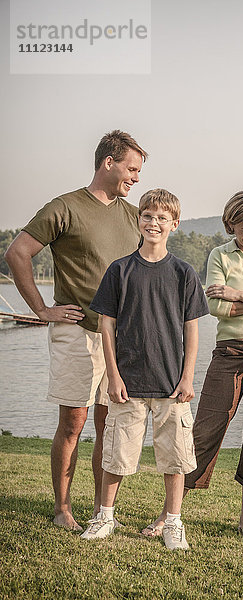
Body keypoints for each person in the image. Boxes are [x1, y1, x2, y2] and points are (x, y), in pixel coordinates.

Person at [4, 130, 148, 531]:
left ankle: (104, 513)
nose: (136, 177)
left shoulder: (134, 215)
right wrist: (41, 309)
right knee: (73, 422)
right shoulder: (64, 207)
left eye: (139, 171)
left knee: (109, 422)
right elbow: (17, 253)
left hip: (121, 339)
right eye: (131, 168)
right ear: (109, 162)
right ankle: (62, 509)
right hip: (76, 331)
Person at [143, 190, 243, 538]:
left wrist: (239, 294)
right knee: (204, 430)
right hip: (229, 352)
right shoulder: (219, 255)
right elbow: (217, 308)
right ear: (231, 224)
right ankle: (169, 514)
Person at [80, 188, 209, 549]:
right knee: (116, 455)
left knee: (175, 459)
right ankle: (105, 516)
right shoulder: (120, 270)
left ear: (175, 224)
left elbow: (192, 329)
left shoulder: (184, 273)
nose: (154, 223)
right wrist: (114, 375)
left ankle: (172, 523)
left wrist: (187, 377)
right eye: (148, 216)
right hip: (128, 381)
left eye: (162, 218)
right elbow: (106, 325)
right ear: (139, 220)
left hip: (171, 385)